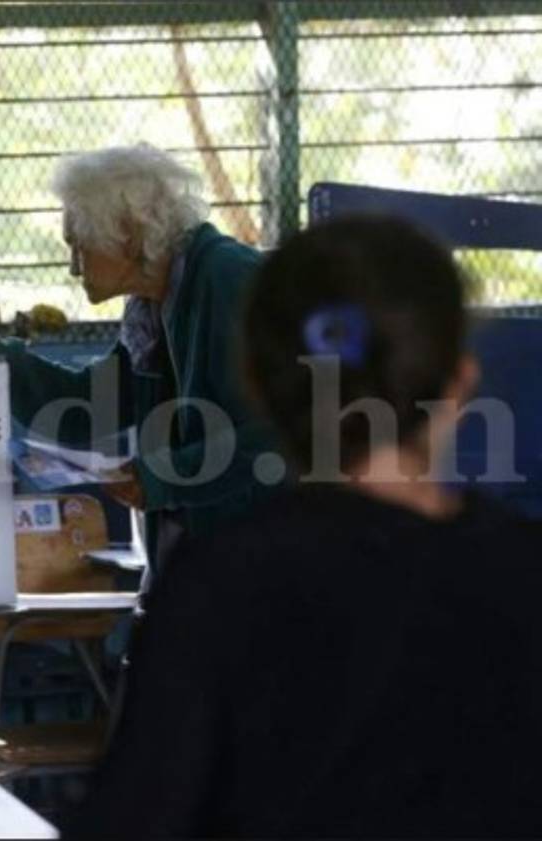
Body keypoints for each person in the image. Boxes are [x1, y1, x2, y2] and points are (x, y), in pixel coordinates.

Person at [67, 216, 542, 838]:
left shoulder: (220, 585)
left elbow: (138, 815)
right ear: (462, 381)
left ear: (258, 385)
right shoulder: (522, 573)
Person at [0, 144, 274, 574]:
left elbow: (281, 435)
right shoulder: (150, 302)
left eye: (80, 247)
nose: (75, 268)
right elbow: (95, 407)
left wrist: (161, 478)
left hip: (266, 556)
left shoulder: (229, 279)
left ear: (127, 233)